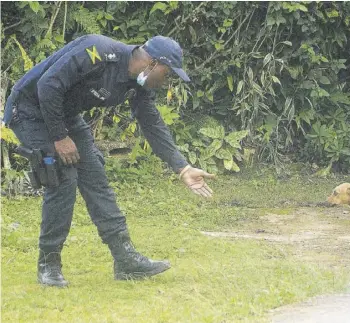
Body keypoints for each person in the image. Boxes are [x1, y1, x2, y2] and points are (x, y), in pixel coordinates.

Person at [2, 34, 215, 287]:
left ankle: (126, 260)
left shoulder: (137, 82)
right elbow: (47, 85)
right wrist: (60, 137)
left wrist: (182, 168)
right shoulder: (98, 52)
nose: (166, 82)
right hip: (29, 110)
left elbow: (151, 123)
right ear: (152, 64)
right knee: (62, 178)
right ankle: (49, 264)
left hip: (65, 115)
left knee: (96, 177)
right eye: (167, 74)